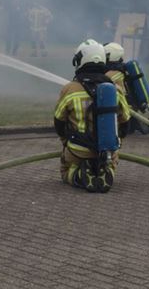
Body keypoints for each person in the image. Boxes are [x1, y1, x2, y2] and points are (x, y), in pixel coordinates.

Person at [54, 40, 130, 192]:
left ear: (80, 61)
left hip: (78, 149)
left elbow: (59, 121)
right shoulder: (114, 89)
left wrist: (65, 142)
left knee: (65, 169)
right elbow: (125, 120)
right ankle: (107, 171)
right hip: (107, 151)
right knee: (112, 159)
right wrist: (116, 142)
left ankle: (77, 175)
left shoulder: (69, 89)